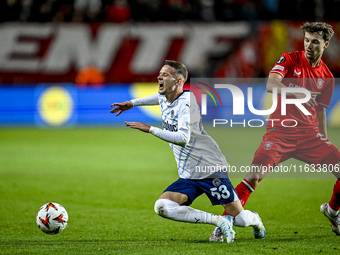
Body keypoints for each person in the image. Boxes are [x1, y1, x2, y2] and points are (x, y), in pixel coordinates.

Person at [210, 21, 340, 241]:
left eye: (315, 42)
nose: (309, 45)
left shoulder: (326, 77)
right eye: (306, 40)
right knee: (253, 177)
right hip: (280, 134)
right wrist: (294, 91)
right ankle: (224, 224)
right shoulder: (289, 59)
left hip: (310, 137)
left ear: (325, 44)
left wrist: (323, 141)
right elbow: (271, 84)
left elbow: (320, 112)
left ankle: (332, 210)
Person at [110, 60, 265, 243]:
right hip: (189, 174)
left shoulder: (186, 103)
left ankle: (255, 219)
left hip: (209, 169)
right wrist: (132, 103)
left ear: (178, 81)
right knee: (163, 206)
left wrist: (150, 129)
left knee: (241, 219)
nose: (159, 76)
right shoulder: (165, 96)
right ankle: (219, 221)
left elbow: (183, 138)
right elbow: (156, 98)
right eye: (160, 73)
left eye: (165, 74)